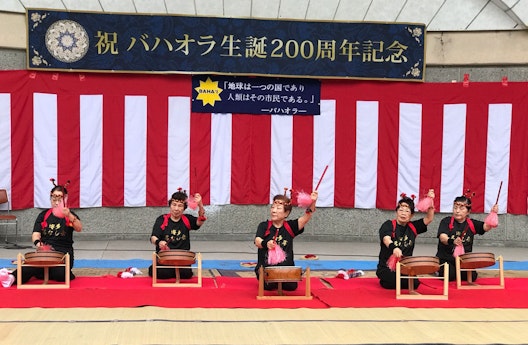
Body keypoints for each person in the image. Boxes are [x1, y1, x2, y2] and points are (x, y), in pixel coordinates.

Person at [2, 179, 82, 287]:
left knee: (59, 275)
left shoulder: (69, 215)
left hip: (62, 254)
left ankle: (51, 272)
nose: (56, 201)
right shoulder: (44, 215)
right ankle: (11, 278)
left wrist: (70, 216)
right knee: (30, 266)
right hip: (45, 253)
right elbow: (36, 233)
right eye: (54, 198)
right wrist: (38, 244)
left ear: (65, 199)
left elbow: (79, 228)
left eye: (60, 197)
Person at [254, 190, 318, 291]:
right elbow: (257, 241)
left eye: (278, 208)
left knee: (291, 287)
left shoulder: (290, 227)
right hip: (266, 270)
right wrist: (266, 244)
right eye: (273, 208)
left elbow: (306, 217)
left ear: (286, 213)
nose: (274, 211)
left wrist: (313, 202)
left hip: (286, 270)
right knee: (269, 286)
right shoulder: (264, 225)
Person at [376, 190, 435, 290]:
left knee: (415, 284)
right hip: (387, 267)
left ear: (411, 215)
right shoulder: (388, 224)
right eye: (401, 210)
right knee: (392, 281)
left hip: (405, 266)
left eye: (407, 211)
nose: (403, 213)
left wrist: (430, 200)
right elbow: (386, 239)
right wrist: (394, 248)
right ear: (396, 211)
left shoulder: (413, 227)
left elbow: (429, 218)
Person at [435, 192, 499, 282]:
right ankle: (439, 269)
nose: (457, 211)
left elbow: (486, 227)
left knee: (472, 276)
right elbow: (443, 237)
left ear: (468, 211)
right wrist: (452, 241)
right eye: (455, 208)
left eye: (461, 208)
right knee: (449, 275)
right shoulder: (446, 221)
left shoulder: (471, 223)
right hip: (446, 260)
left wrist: (493, 213)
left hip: (463, 261)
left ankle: (457, 271)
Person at [148, 189, 206, 279]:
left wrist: (200, 205)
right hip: (165, 257)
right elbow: (153, 237)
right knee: (162, 273)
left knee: (186, 274)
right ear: (170, 205)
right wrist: (159, 242)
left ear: (184, 208)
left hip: (182, 258)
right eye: (174, 205)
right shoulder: (162, 219)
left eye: (180, 206)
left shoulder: (187, 219)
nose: (176, 209)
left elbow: (200, 221)